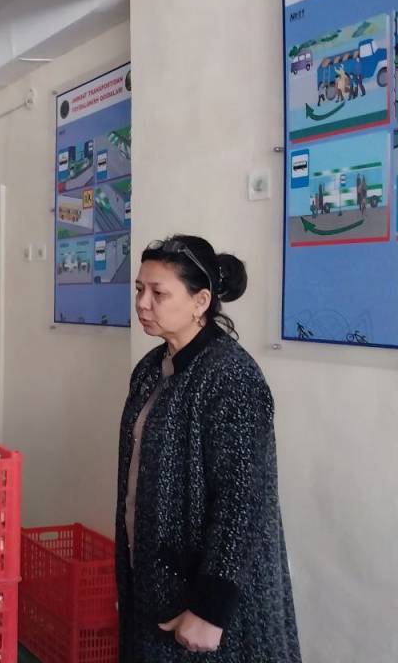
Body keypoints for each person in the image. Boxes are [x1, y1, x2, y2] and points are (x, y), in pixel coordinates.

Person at [116, 235, 301, 662]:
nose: (142, 303)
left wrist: (210, 608)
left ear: (200, 301)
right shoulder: (150, 368)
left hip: (208, 600)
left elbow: (244, 500)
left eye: (158, 293)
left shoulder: (230, 377)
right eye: (139, 289)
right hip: (154, 578)